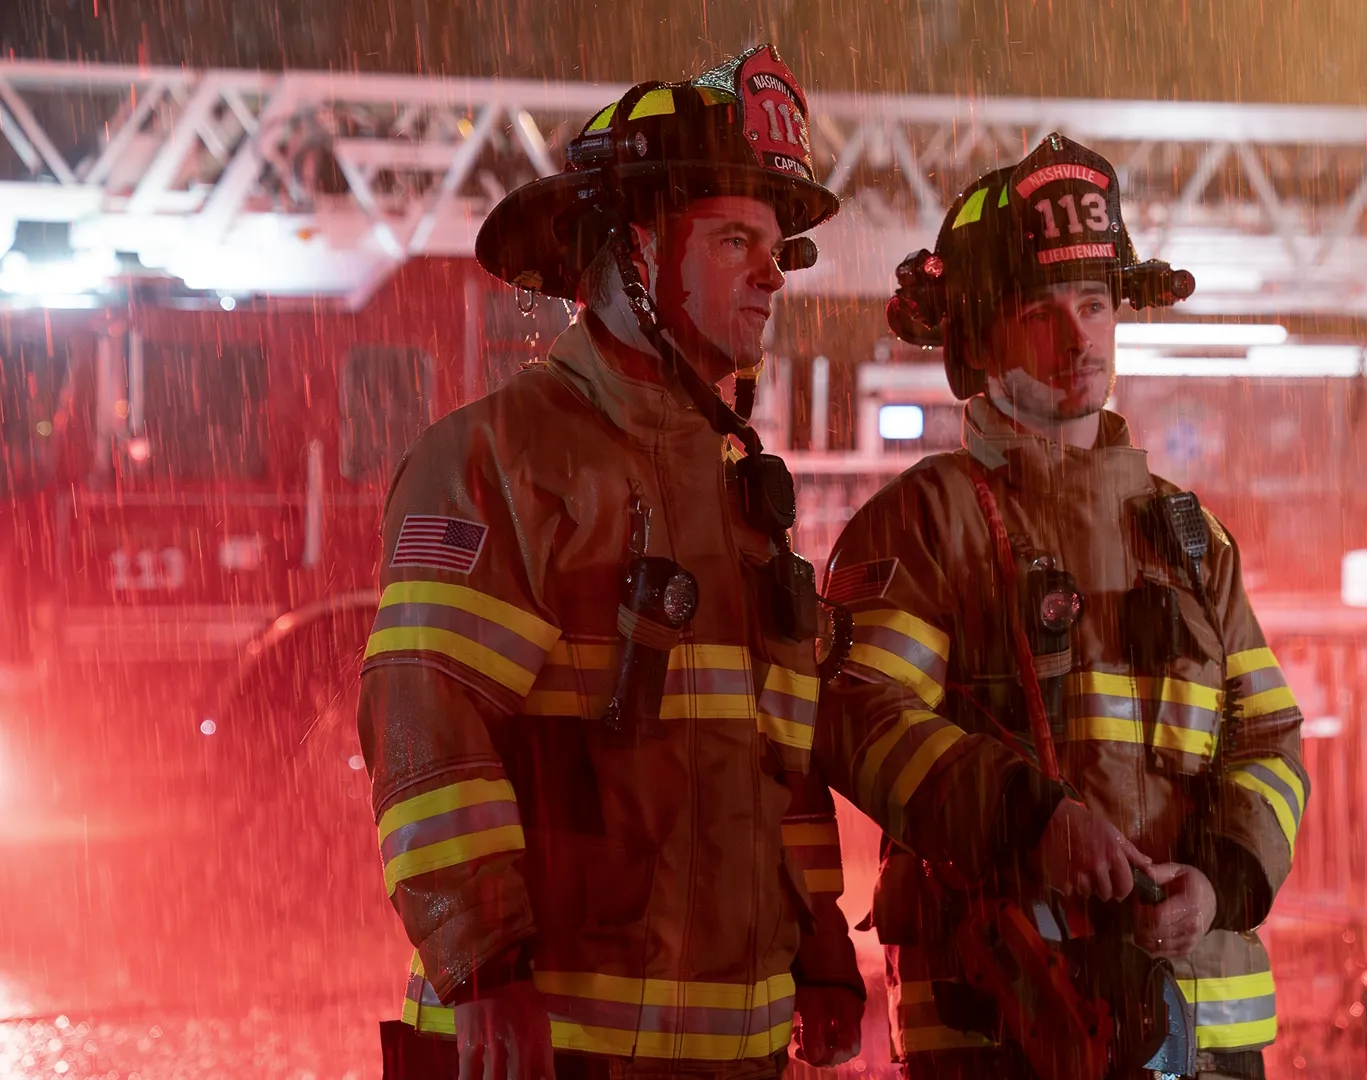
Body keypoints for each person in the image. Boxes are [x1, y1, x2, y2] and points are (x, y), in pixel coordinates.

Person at [356, 51, 1138, 1080]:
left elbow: (782, 757)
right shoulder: (500, 459)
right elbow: (427, 721)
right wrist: (484, 966)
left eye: (777, 247)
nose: (774, 273)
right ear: (635, 250)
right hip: (555, 1047)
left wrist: (819, 946)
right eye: (736, 240)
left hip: (737, 1051)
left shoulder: (740, 499)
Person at [825, 134, 1309, 1080]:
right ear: (976, 343)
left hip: (1205, 1034)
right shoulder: (928, 523)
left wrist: (1217, 882)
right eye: (1041, 314)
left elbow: (1272, 743)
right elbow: (861, 718)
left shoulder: (1189, 535)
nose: (1078, 339)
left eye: (1093, 305)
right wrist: (1032, 822)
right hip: (1004, 1031)